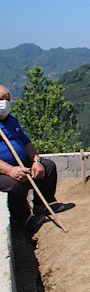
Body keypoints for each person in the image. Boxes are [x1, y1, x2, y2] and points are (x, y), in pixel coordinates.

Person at [0, 85, 59, 232]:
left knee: (48, 166)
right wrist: (10, 170)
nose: (5, 102)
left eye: (7, 99)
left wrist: (36, 160)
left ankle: (40, 207)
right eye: (1, 99)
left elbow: (26, 143)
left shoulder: (11, 120)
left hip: (20, 163)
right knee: (13, 185)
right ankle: (23, 219)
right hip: (3, 170)